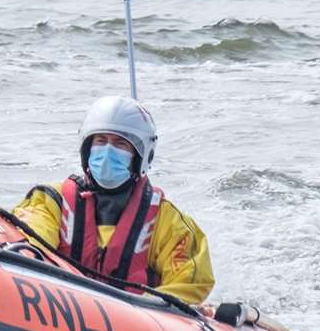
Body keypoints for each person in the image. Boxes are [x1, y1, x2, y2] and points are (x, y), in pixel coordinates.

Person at [14, 96, 214, 305]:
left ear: (141, 156)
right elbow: (28, 243)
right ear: (87, 148)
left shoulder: (168, 222)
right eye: (101, 141)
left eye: (121, 143)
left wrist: (137, 311)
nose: (108, 150)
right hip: (59, 308)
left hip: (136, 325)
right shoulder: (51, 201)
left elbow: (189, 282)